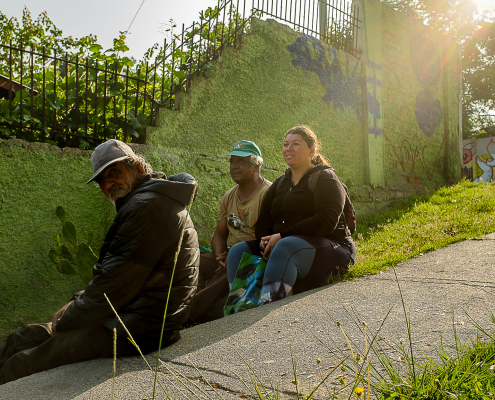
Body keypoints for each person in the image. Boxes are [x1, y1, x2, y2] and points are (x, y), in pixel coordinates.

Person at [0, 139, 199, 384]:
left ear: (138, 168)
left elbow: (114, 286)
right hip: (132, 315)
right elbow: (116, 275)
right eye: (101, 181)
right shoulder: (149, 199)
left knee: (22, 363)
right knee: (22, 337)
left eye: (114, 172)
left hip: (140, 328)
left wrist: (68, 319)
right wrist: (76, 302)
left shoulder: (147, 206)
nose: (108, 184)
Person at [226, 126, 356, 305]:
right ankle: (239, 308)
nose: (289, 148)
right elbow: (264, 220)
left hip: (333, 248)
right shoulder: (280, 183)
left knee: (285, 246)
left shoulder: (326, 178)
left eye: (296, 144)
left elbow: (326, 222)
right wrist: (264, 242)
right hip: (286, 245)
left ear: (311, 150)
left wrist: (282, 236)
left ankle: (269, 308)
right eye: (286, 144)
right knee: (237, 251)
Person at [189, 140, 271, 323]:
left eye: (241, 161)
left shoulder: (268, 194)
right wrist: (219, 256)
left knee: (229, 270)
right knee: (192, 261)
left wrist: (233, 256)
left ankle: (189, 314)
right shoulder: (229, 196)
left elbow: (268, 237)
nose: (234, 166)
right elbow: (219, 234)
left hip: (253, 255)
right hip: (229, 253)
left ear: (256, 165)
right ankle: (192, 304)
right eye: (232, 161)